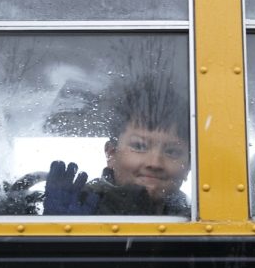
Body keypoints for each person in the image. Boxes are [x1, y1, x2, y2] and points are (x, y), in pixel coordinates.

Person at [43, 78, 191, 216]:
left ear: (189, 165)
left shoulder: (195, 214)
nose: (155, 163)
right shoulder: (82, 205)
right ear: (111, 153)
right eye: (139, 146)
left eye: (172, 152)